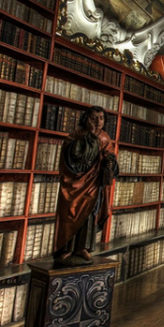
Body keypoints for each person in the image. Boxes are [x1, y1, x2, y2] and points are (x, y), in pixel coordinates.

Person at [54, 106, 118, 265]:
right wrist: (88, 135)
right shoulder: (76, 134)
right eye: (94, 118)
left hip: (93, 183)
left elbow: (109, 154)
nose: (98, 122)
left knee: (89, 215)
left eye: (101, 118)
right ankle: (66, 247)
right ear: (86, 119)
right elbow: (75, 154)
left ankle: (82, 247)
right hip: (75, 182)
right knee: (70, 213)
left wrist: (110, 160)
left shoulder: (104, 137)